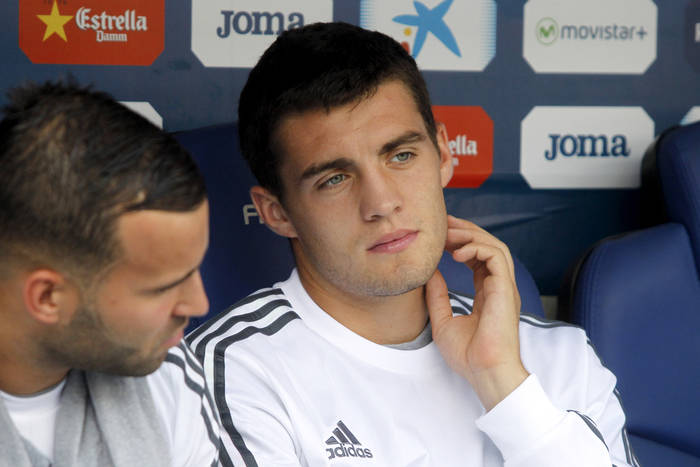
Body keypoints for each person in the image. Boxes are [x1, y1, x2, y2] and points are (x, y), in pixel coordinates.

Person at [188, 22, 638, 467]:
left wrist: (503, 382)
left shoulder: (560, 358)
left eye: (401, 156)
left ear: (443, 154)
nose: (382, 203)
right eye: (335, 179)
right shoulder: (228, 372)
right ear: (277, 213)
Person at [0, 81, 220, 467]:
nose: (199, 304)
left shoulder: (167, 376)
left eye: (194, 269)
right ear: (48, 297)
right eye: (164, 287)